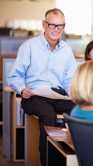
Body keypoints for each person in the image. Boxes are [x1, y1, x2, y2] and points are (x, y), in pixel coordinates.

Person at [8, 8, 76, 166]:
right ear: (44, 25)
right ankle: (48, 161)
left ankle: (72, 156)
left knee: (78, 110)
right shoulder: (29, 46)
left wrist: (72, 93)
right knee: (48, 114)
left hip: (57, 96)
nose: (56, 30)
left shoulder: (67, 50)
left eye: (60, 26)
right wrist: (22, 89)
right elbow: (14, 76)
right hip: (33, 96)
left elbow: (69, 79)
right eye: (52, 25)